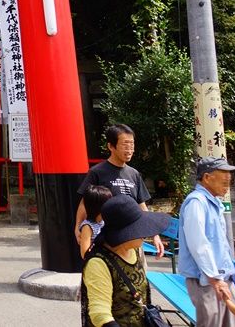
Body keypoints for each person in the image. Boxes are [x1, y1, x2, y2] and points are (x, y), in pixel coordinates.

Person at [81, 194, 172, 327]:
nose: (144, 233)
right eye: (139, 228)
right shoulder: (98, 263)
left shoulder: (133, 250)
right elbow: (100, 315)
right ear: (125, 233)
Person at [76, 124, 164, 257]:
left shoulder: (134, 174)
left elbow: (142, 206)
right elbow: (85, 203)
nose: (129, 149)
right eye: (125, 144)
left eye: (132, 144)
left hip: (133, 239)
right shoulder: (97, 172)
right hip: (108, 239)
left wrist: (154, 235)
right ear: (111, 146)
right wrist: (78, 227)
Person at [178, 156, 235, 327]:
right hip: (206, 280)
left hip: (222, 276)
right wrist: (215, 279)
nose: (227, 182)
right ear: (207, 178)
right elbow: (198, 244)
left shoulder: (213, 201)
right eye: (223, 178)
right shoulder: (196, 202)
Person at [79, 185, 113, 258]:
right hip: (96, 262)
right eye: (109, 204)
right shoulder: (87, 227)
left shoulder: (104, 221)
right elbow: (84, 253)